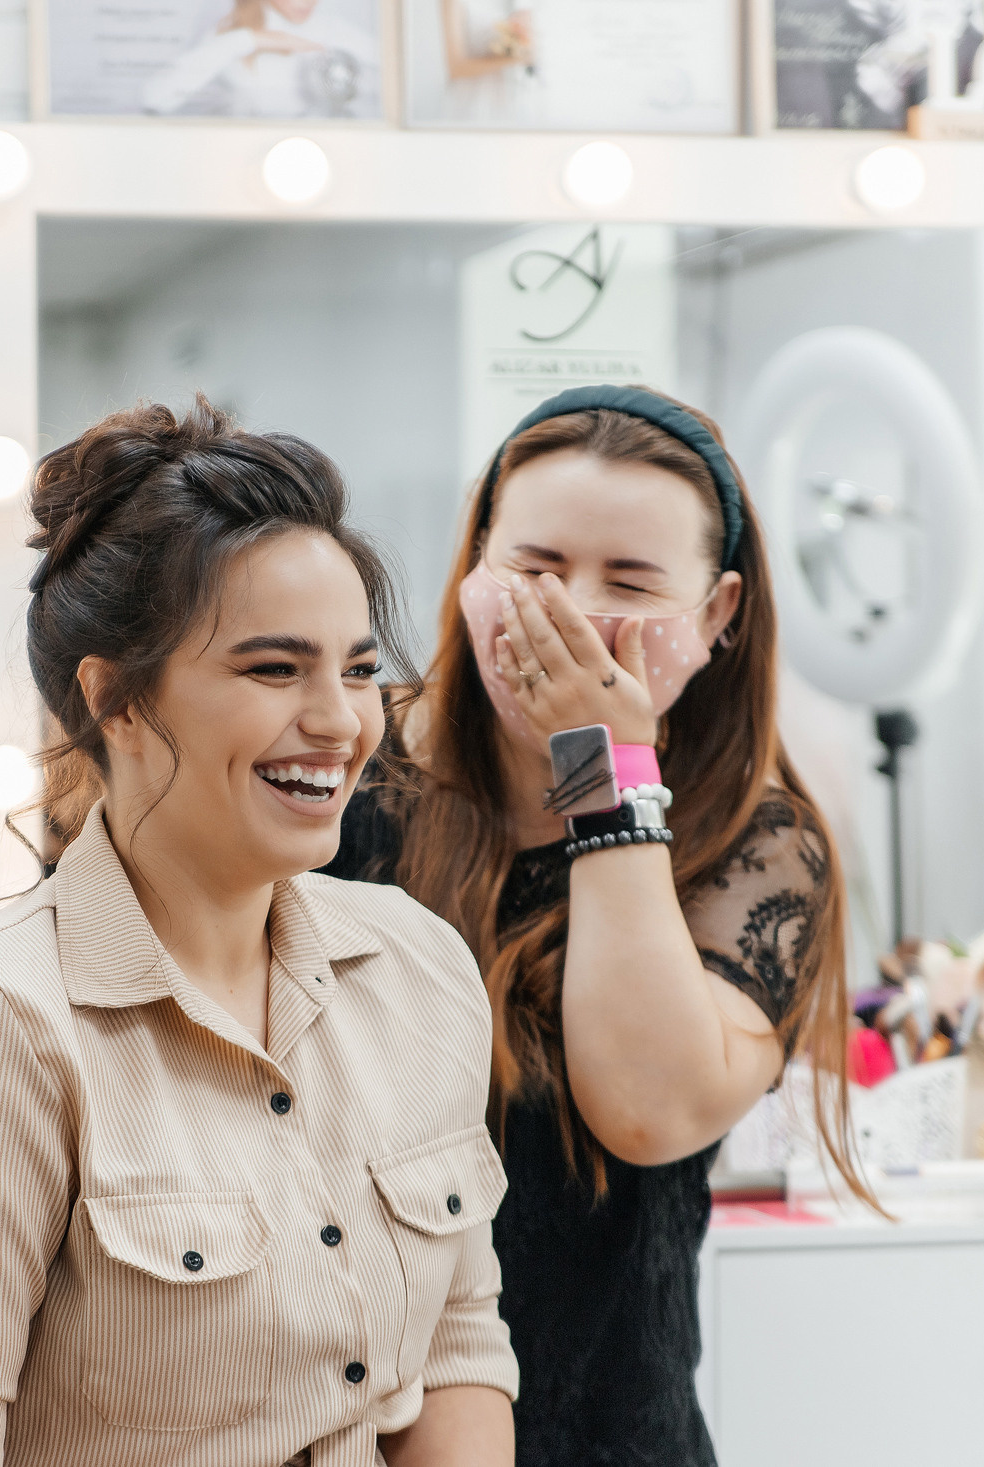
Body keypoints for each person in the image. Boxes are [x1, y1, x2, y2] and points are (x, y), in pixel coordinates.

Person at [0, 399, 518, 1467]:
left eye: (361, 668)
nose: (339, 719)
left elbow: (460, 1341)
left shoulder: (418, 967)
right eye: (273, 670)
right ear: (119, 705)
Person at [323, 384, 868, 1466]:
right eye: (532, 571)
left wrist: (604, 773)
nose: (570, 613)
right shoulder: (344, 774)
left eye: (627, 584)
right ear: (474, 569)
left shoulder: (755, 847)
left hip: (610, 1430)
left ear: (714, 617)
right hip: (334, 1416)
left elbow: (650, 1110)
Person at [141, 0, 378, 118]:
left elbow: (396, 95)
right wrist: (248, 39)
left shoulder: (337, 33)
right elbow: (154, 98)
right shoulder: (231, 36)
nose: (305, 2)